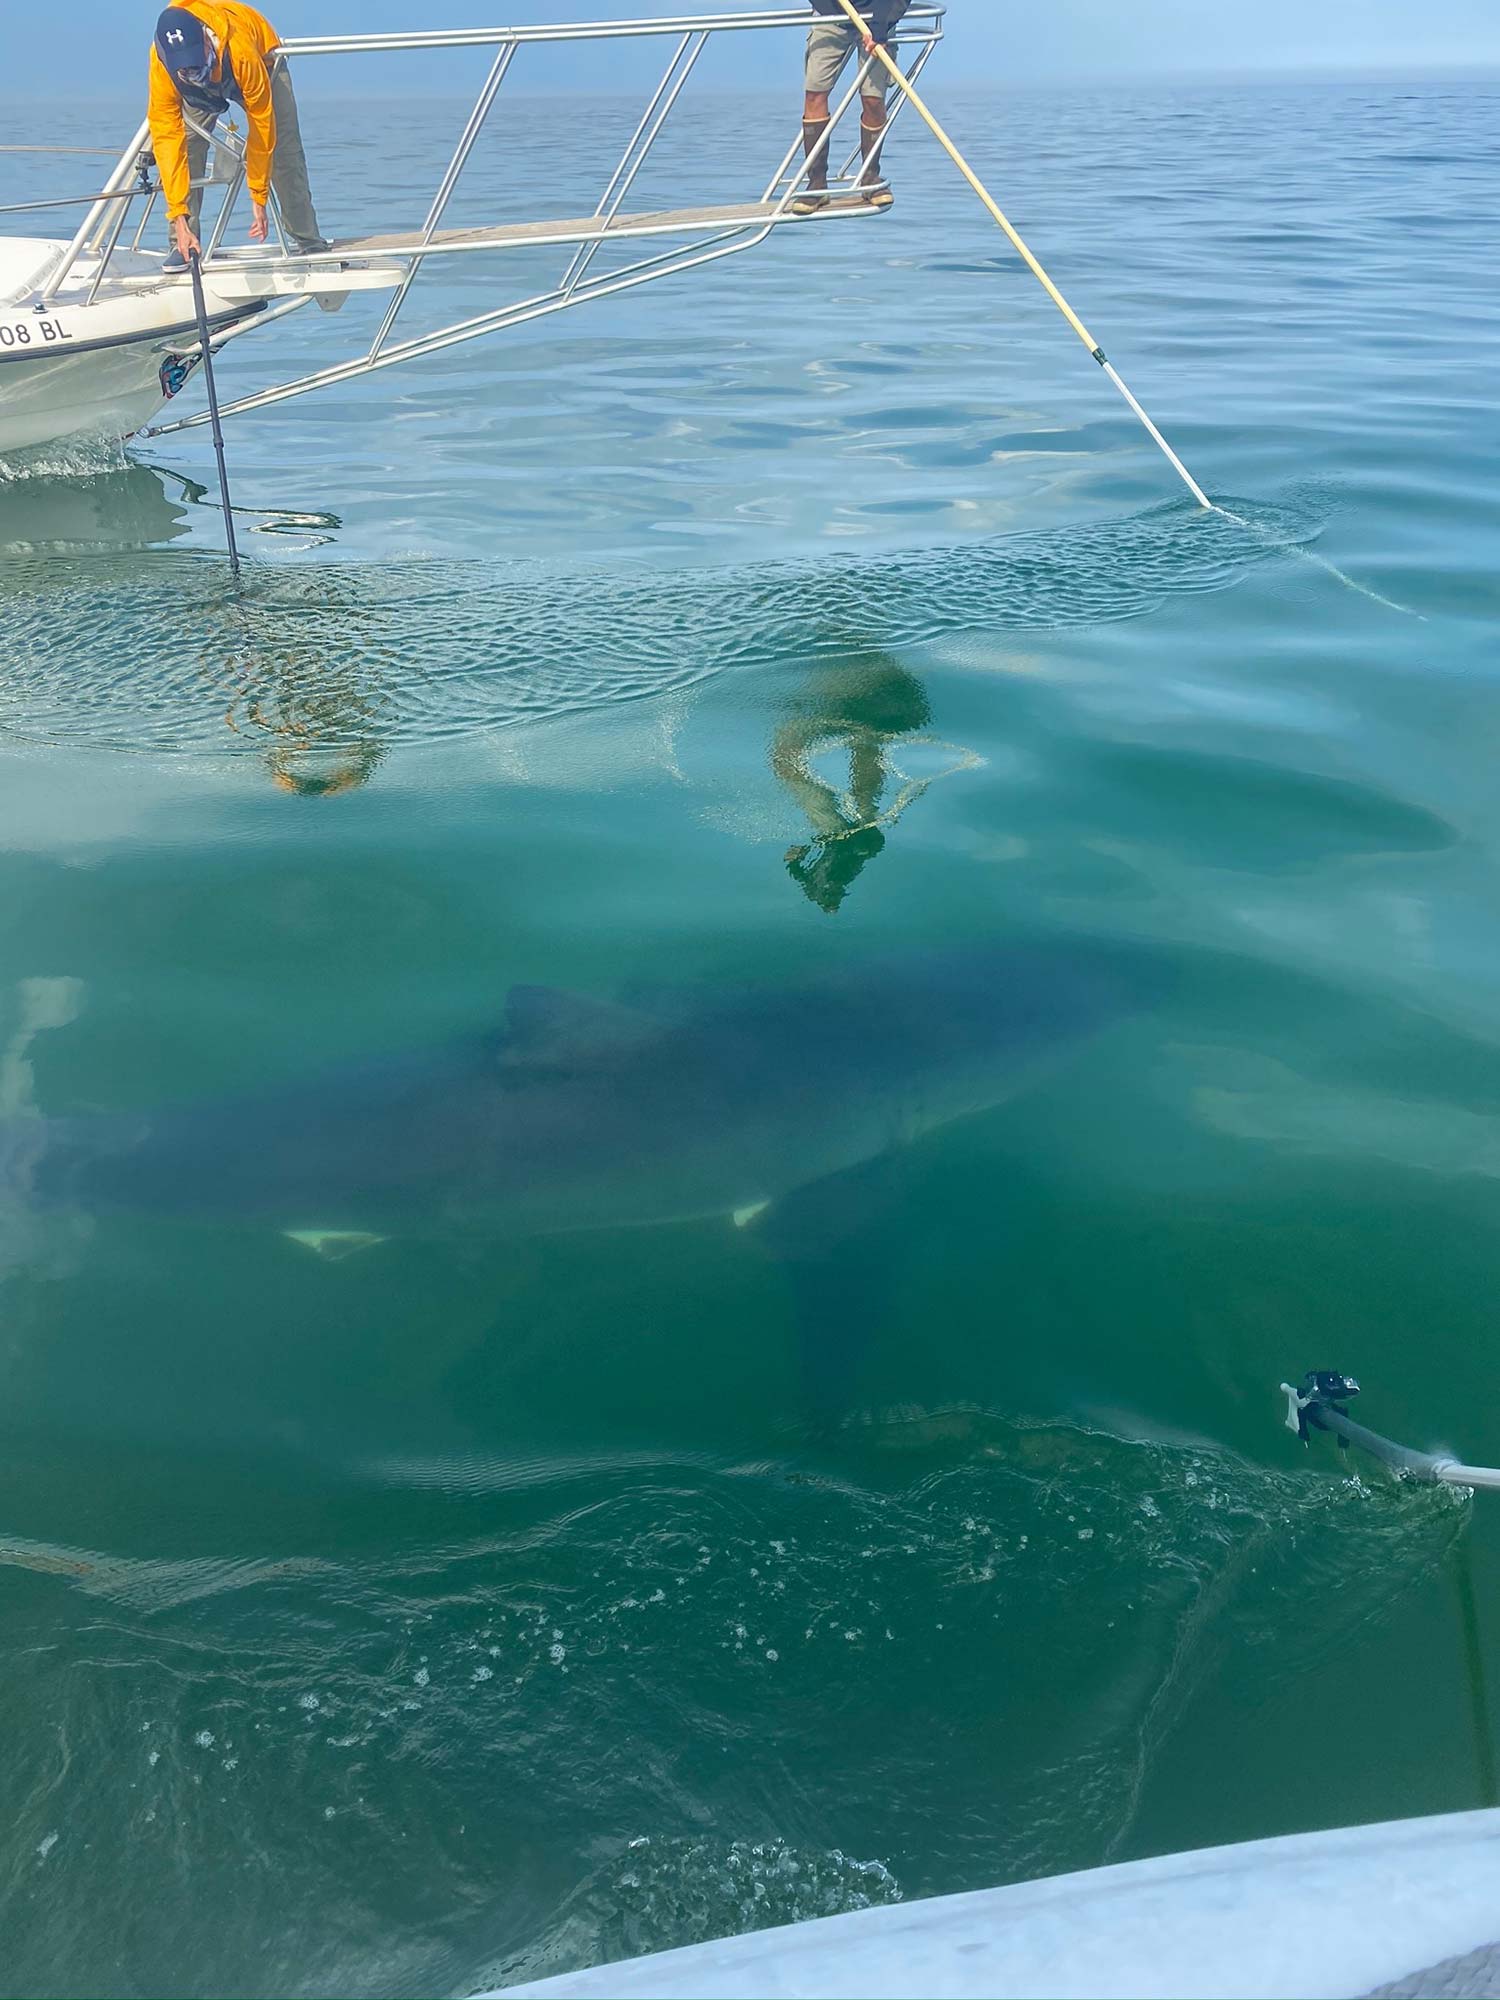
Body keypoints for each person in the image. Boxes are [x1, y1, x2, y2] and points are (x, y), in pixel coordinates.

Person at [148, 2, 329, 272]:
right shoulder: (163, 64)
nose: (194, 73)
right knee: (186, 143)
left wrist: (258, 196)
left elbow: (262, 128)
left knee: (282, 148)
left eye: (196, 64)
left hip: (261, 62)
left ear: (206, 42)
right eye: (185, 70)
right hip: (198, 91)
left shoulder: (242, 53)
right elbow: (166, 137)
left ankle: (307, 240)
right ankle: (182, 242)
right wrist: (178, 216)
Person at [792, 1, 910, 216]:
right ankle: (816, 185)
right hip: (830, 15)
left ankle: (870, 178)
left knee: (873, 98)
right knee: (814, 93)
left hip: (878, 16)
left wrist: (880, 27)